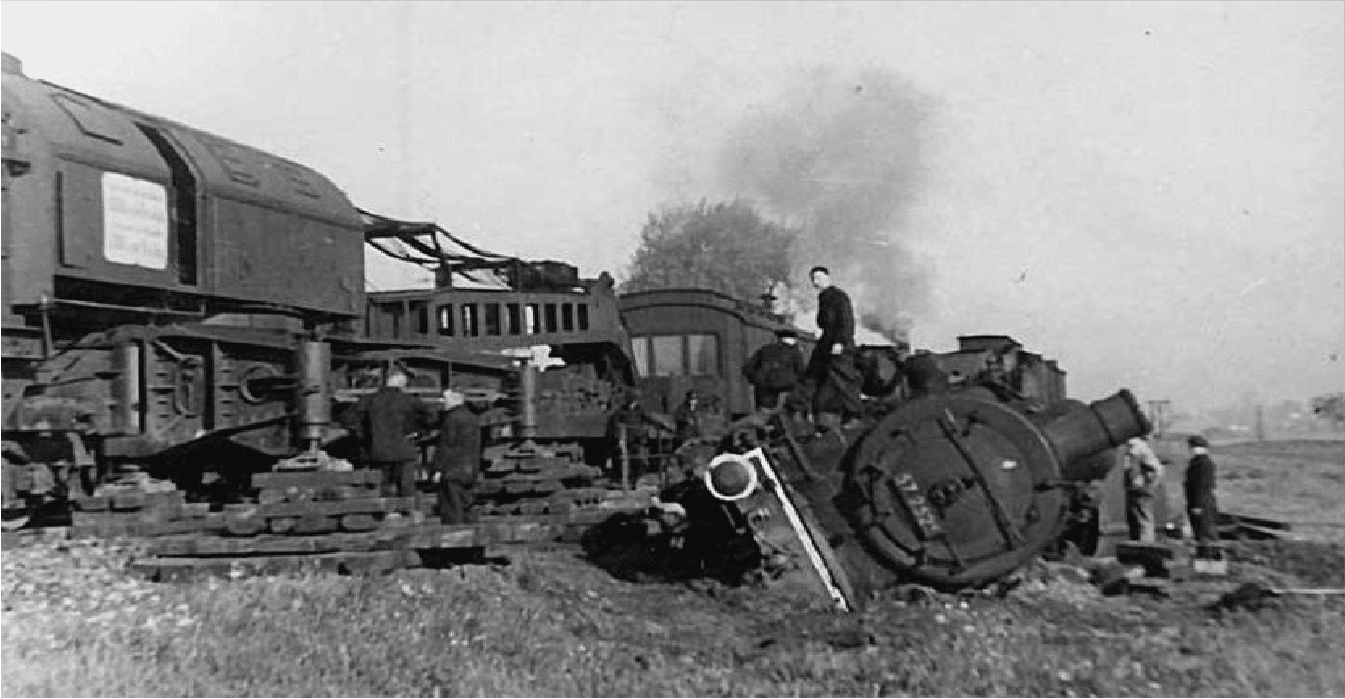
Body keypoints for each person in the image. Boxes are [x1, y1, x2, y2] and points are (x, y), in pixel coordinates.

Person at [345, 369, 435, 497]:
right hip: (404, 450)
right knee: (406, 488)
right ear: (401, 383)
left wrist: (365, 436)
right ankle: (408, 514)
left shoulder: (370, 400)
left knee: (382, 487)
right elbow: (431, 416)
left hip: (378, 450)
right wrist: (419, 432)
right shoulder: (409, 400)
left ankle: (386, 514)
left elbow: (350, 419)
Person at [807, 266, 864, 425]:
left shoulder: (839, 297)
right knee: (812, 375)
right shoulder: (823, 297)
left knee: (843, 378)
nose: (815, 281)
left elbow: (846, 321)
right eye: (813, 279)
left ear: (828, 278)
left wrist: (840, 342)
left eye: (818, 277)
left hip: (838, 343)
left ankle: (854, 414)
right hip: (826, 342)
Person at [433, 388, 481, 524]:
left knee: (451, 507)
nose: (441, 401)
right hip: (470, 469)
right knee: (467, 505)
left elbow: (446, 446)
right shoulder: (473, 418)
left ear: (454, 399)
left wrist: (438, 469)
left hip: (452, 470)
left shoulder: (451, 419)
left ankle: (454, 538)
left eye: (445, 398)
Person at [743, 328, 807, 411]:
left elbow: (747, 368)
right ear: (794, 339)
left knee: (764, 417)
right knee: (782, 418)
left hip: (765, 391)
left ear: (779, 338)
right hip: (787, 392)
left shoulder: (765, 349)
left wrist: (758, 380)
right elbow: (801, 373)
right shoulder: (795, 353)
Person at [1123, 436, 1165, 542]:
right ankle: (1144, 546)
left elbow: (1133, 467)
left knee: (1140, 519)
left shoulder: (1136, 447)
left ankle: (1143, 547)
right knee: (1142, 518)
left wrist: (1135, 483)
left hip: (1138, 489)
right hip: (1144, 488)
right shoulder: (1144, 448)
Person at [1184, 434, 1219, 542]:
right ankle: (1206, 553)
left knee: (1204, 530)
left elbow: (1201, 486)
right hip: (1202, 502)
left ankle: (1211, 554)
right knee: (1200, 530)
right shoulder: (1201, 462)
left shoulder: (1201, 464)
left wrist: (1197, 505)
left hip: (1201, 503)